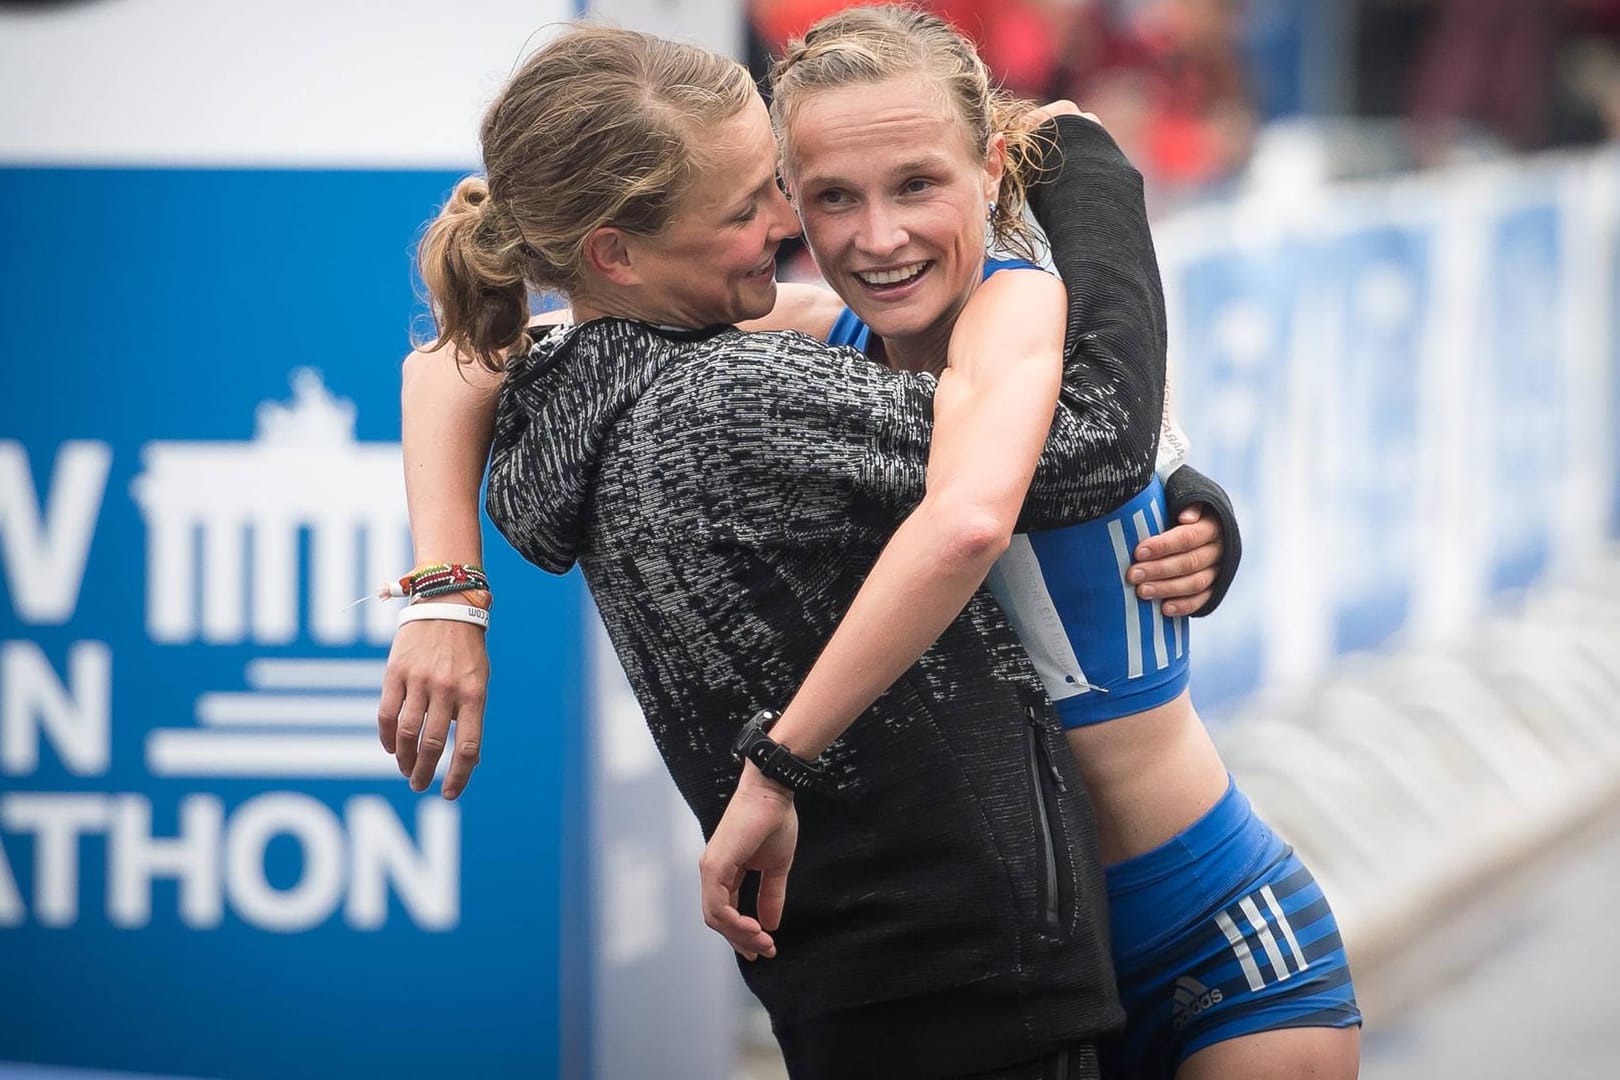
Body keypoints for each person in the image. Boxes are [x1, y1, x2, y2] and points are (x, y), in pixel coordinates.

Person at [389, 21, 1211, 1080]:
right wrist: (1092, 173)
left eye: (779, 185)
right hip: (967, 969)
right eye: (748, 208)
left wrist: (446, 598)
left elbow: (452, 363)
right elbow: (1087, 441)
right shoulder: (734, 403)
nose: (790, 225)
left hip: (869, 978)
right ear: (615, 254)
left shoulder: (588, 389)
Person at [695, 8, 1360, 1079]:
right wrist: (445, 596)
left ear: (992, 166)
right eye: (833, 197)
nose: (878, 237)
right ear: (789, 202)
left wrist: (775, 769)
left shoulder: (1030, 307)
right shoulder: (835, 338)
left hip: (1214, 943)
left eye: (917, 184)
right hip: (1014, 980)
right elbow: (497, 356)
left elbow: (978, 513)